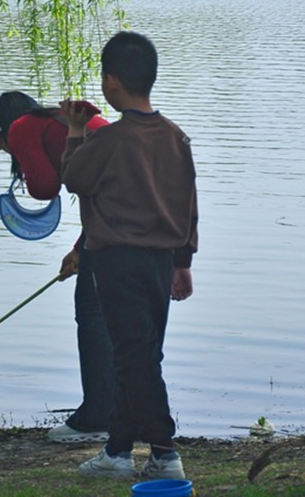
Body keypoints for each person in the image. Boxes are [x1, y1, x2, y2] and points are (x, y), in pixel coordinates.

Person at [62, 32, 199, 482]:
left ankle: (164, 451)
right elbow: (188, 204)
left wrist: (75, 130)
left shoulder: (111, 140)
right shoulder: (176, 138)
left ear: (111, 82)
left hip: (117, 259)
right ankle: (118, 451)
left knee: (134, 357)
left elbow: (74, 179)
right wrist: (183, 261)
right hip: (160, 261)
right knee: (140, 352)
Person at [0, 90, 114, 443]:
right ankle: (125, 411)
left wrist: (26, 167)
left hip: (115, 211)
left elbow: (44, 188)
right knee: (119, 316)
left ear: (6, 128)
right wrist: (79, 250)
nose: (7, 151)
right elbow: (103, 198)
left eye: (2, 145)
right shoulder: (54, 123)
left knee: (93, 313)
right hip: (137, 204)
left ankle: (97, 418)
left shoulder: (23, 127)